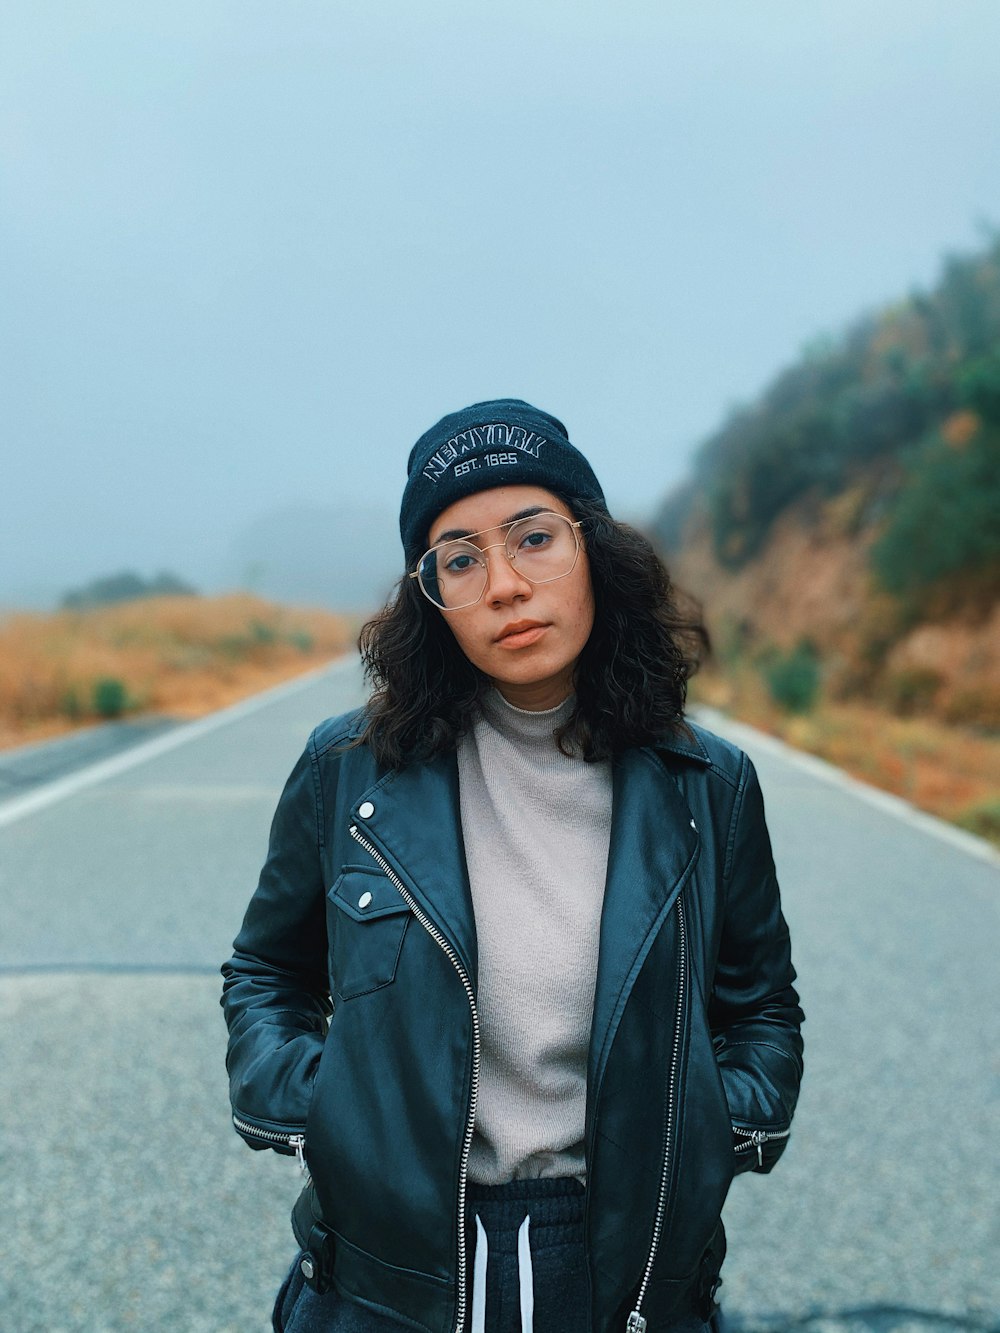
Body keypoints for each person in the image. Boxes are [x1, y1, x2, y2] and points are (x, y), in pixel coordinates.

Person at [221, 399, 804, 1333]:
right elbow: (265, 971)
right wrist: (322, 1110)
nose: (503, 584)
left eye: (534, 538)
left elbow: (761, 1003)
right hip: (389, 1274)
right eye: (460, 558)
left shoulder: (708, 784)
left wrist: (710, 1126)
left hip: (627, 1267)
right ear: (433, 596)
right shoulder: (348, 772)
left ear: (593, 553)